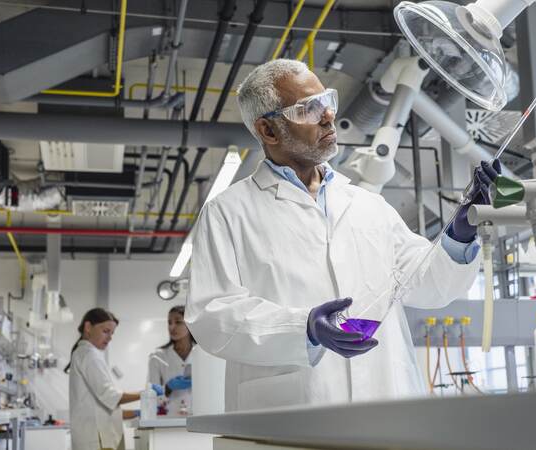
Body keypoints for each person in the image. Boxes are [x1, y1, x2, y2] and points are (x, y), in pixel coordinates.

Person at [186, 59, 501, 412]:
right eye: (308, 108)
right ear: (268, 131)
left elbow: (428, 284)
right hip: (293, 410)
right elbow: (212, 315)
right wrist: (302, 327)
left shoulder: (369, 205)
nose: (327, 116)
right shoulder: (228, 212)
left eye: (327, 102)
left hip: (385, 403)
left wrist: (458, 235)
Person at [66, 308, 163, 450]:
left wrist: (135, 413)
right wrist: (146, 393)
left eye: (112, 333)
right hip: (98, 439)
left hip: (97, 436)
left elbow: (102, 406)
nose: (110, 337)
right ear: (88, 327)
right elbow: (110, 396)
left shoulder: (86, 353)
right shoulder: (89, 355)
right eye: (106, 331)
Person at [147, 305, 195, 416]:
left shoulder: (202, 354)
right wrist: (167, 388)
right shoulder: (157, 357)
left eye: (178, 322)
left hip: (198, 417)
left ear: (190, 324)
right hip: (169, 420)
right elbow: (151, 397)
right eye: (169, 323)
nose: (172, 327)